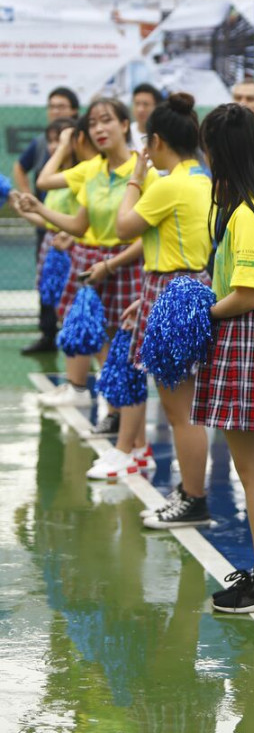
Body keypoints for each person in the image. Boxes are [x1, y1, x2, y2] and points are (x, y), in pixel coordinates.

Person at [190, 102, 254, 613]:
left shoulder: (249, 213)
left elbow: (248, 293)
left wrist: (201, 313)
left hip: (247, 334)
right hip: (252, 334)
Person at [91, 93, 213, 506]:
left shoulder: (169, 184)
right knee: (184, 407)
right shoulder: (201, 179)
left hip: (168, 291)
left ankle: (193, 497)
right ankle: (190, 491)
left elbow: (124, 227)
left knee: (180, 412)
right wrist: (143, 302)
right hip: (185, 286)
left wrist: (135, 178)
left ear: (157, 141)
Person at [24, 99, 145, 412]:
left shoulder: (143, 170)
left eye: (106, 120)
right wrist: (38, 208)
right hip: (92, 263)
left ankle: (126, 424)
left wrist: (111, 264)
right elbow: (77, 221)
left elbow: (150, 236)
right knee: (96, 338)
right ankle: (113, 413)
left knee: (125, 347)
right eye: (92, 123)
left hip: (128, 265)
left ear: (125, 124)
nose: (98, 129)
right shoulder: (92, 170)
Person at [14, 86, 80, 355]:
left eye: (61, 106)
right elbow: (48, 220)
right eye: (51, 106)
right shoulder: (41, 146)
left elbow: (78, 220)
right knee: (51, 295)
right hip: (52, 243)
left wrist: (71, 232)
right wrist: (23, 203)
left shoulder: (79, 174)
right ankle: (50, 336)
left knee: (74, 305)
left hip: (74, 246)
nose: (54, 147)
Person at [129, 83, 163, 152]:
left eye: (146, 104)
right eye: (137, 104)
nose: (140, 109)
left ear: (156, 107)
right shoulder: (126, 133)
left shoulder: (163, 136)